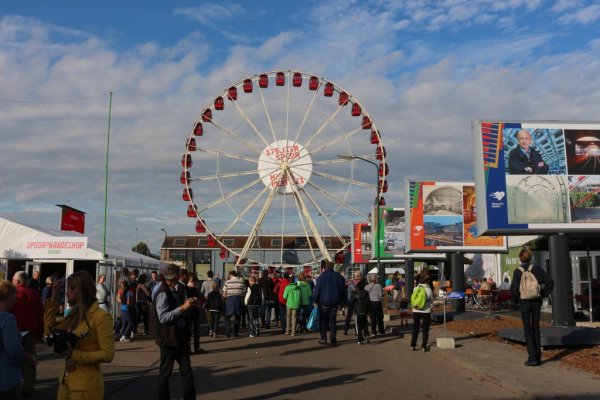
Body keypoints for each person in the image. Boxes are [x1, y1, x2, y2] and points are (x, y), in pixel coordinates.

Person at [44, 271, 115, 400]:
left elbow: (107, 354)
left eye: (71, 288)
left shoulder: (101, 317)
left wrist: (74, 355)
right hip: (65, 382)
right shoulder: (73, 315)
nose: (67, 292)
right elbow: (49, 331)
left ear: (81, 290)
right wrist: (53, 299)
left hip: (86, 387)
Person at [154, 264, 196, 400]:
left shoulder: (174, 289)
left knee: (187, 372)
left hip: (179, 336)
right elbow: (163, 317)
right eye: (179, 276)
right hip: (169, 339)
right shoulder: (163, 292)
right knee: (165, 374)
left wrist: (188, 305)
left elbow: (178, 309)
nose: (181, 278)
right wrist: (182, 308)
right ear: (175, 277)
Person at [510, 248, 554, 366]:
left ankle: (532, 357)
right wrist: (543, 294)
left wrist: (514, 302)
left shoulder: (518, 271)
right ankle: (538, 357)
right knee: (536, 328)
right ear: (530, 258)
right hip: (536, 302)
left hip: (524, 302)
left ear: (520, 258)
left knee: (527, 330)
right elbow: (550, 282)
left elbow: (514, 290)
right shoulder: (537, 269)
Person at [1, 280, 36, 400]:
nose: (16, 301)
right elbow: (13, 350)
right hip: (6, 380)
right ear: (10, 298)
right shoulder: (7, 319)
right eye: (15, 298)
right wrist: (30, 358)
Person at [10, 271, 43, 398]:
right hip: (30, 332)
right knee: (29, 361)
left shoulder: (11, 294)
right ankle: (28, 388)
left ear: (17, 281)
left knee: (12, 359)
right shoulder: (34, 295)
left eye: (13, 279)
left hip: (13, 330)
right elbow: (40, 315)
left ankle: (13, 386)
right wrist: (40, 333)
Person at [313, 260, 346, 346]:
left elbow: (317, 289)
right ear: (333, 266)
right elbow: (343, 290)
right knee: (333, 321)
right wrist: (342, 301)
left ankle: (324, 338)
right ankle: (333, 339)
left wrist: (315, 300)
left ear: (326, 267)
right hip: (335, 301)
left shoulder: (322, 276)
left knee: (323, 321)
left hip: (323, 301)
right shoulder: (338, 276)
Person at [410, 274, 434, 352]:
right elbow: (431, 300)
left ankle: (413, 345)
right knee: (425, 329)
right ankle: (424, 346)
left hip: (416, 310)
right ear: (426, 281)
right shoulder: (429, 289)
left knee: (415, 328)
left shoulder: (415, 288)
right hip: (426, 310)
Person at [223, 270, 247, 338]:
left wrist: (224, 301)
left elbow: (224, 294)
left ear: (231, 274)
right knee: (238, 317)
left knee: (227, 316)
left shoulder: (227, 282)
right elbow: (244, 292)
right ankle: (235, 332)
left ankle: (228, 327)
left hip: (229, 300)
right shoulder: (242, 282)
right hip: (239, 299)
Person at [348, 279, 370, 344]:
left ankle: (360, 339)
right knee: (365, 324)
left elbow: (351, 302)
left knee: (358, 326)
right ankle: (366, 335)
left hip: (358, 312)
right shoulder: (366, 293)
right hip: (365, 311)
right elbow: (369, 301)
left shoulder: (355, 294)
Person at [344, 270, 365, 336]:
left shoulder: (351, 282)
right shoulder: (361, 282)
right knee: (357, 316)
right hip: (357, 302)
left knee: (349, 316)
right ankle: (357, 331)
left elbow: (345, 289)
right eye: (359, 275)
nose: (358, 277)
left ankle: (345, 329)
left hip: (350, 301)